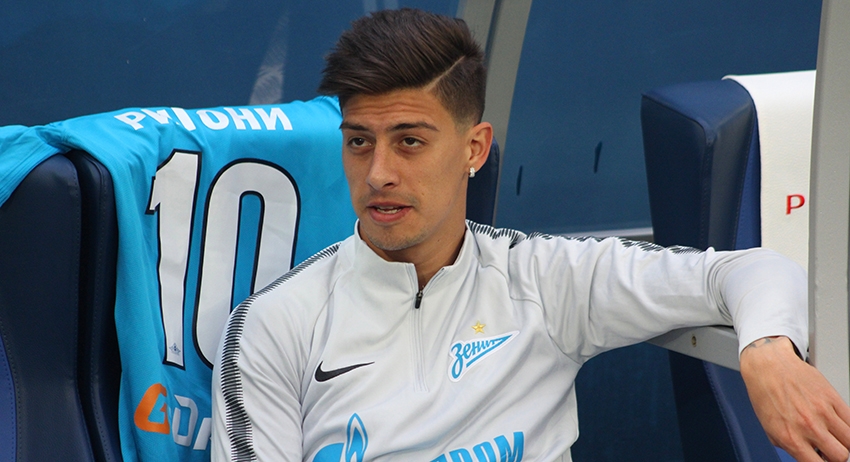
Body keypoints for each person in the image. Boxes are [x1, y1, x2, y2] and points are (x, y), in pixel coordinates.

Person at [211, 8, 850, 462]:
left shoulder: (543, 278)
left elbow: (750, 269)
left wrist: (768, 352)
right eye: (359, 142)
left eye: (409, 142)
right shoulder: (273, 325)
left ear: (474, 148)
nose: (378, 173)